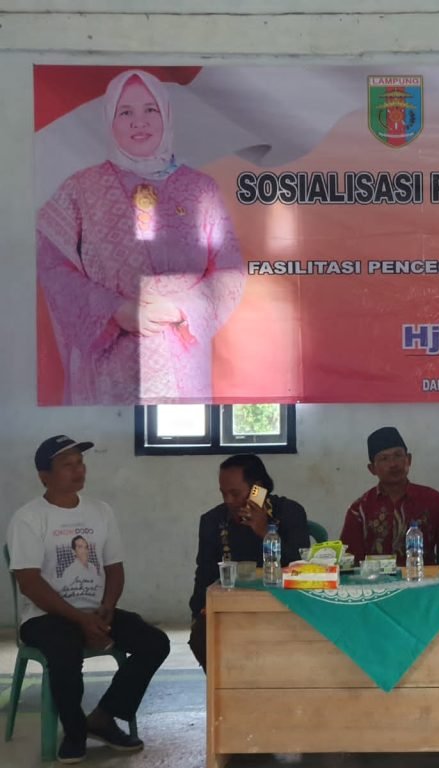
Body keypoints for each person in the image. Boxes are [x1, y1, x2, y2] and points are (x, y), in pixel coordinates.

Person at [36, 68, 245, 404]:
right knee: (108, 435)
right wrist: (115, 310)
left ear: (166, 116)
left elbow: (229, 270)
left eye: (150, 109)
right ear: (110, 121)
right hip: (106, 371)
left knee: (179, 435)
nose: (139, 122)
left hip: (181, 366)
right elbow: (51, 265)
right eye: (125, 112)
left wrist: (180, 308)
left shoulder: (200, 189)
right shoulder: (81, 189)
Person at [6, 436, 170, 764]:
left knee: (154, 642)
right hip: (44, 617)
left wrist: (106, 609)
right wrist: (81, 620)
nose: (78, 470)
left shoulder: (100, 512)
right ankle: (74, 731)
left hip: (96, 612)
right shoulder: (29, 518)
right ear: (44, 476)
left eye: (80, 463)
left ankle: (104, 717)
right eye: (67, 465)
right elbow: (29, 583)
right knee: (64, 646)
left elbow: (114, 569)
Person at [188, 454, 308, 671]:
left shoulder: (289, 512)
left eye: (235, 493)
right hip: (232, 608)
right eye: (223, 493)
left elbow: (301, 567)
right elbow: (204, 573)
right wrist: (199, 611)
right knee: (202, 637)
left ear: (257, 489)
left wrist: (264, 532)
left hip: (285, 607)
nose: (228, 501)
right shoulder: (213, 521)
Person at [340, 427, 439, 565]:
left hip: (423, 577)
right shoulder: (359, 510)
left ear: (409, 460)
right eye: (384, 459)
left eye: (398, 455)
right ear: (372, 469)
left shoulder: (433, 500)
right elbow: (349, 562)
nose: (393, 464)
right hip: (375, 579)